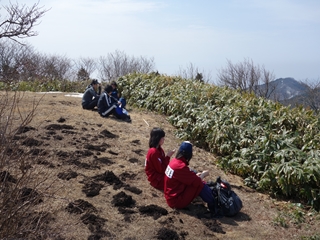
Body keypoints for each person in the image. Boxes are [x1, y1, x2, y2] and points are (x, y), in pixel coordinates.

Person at [164, 141, 218, 216]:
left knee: (195, 177)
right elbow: (197, 182)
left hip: (170, 196)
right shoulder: (180, 166)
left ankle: (211, 197)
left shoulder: (174, 161)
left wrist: (197, 176)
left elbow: (186, 176)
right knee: (199, 184)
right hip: (176, 201)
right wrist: (203, 175)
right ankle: (213, 203)